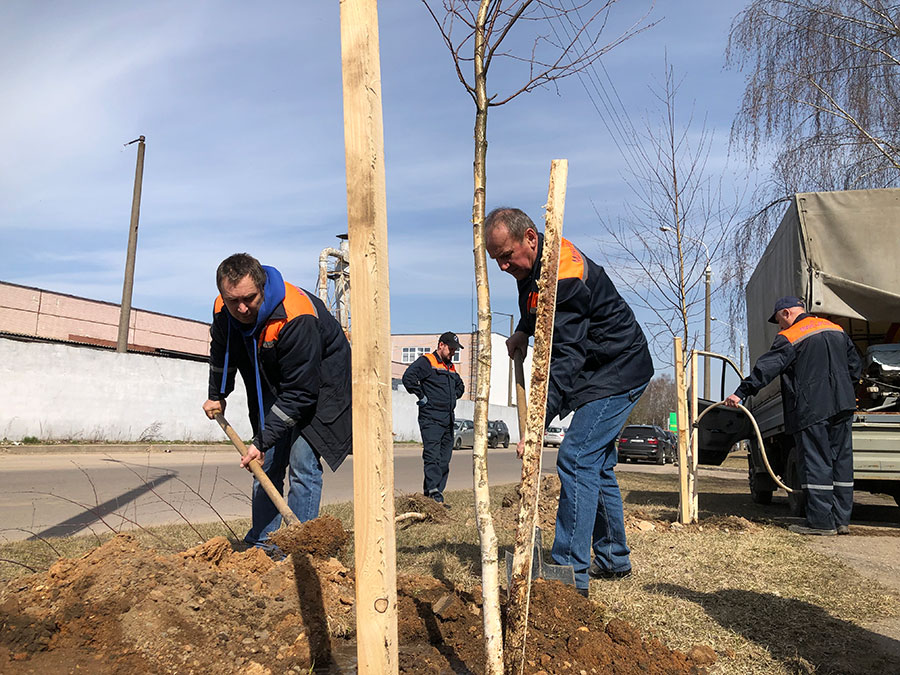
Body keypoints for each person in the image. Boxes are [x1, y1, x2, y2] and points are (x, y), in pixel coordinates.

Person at [484, 207, 654, 595]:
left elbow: (566, 358)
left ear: (530, 237)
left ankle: (568, 574)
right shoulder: (530, 267)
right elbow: (537, 308)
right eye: (496, 260)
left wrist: (537, 424)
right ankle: (612, 556)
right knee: (597, 465)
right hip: (600, 367)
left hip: (618, 367)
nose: (503, 266)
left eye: (506, 256)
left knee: (576, 457)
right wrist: (524, 331)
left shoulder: (565, 275)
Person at [202, 253, 352, 553]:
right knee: (266, 461)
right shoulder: (224, 309)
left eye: (250, 298)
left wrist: (262, 439)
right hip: (271, 378)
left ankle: (298, 547)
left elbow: (301, 391)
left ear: (262, 286)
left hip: (319, 383)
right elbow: (223, 354)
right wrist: (217, 394)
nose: (242, 308)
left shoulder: (296, 315)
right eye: (234, 301)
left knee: (302, 461)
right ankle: (263, 541)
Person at [725, 296, 861, 536]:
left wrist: (741, 392)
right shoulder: (836, 329)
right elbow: (854, 366)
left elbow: (766, 368)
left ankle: (821, 523)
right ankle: (841, 520)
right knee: (841, 461)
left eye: (779, 321)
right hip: (843, 405)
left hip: (812, 408)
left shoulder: (791, 336)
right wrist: (847, 392)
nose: (780, 327)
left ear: (787, 313)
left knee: (816, 462)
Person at [402, 332, 465, 506]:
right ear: (441, 345)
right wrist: (422, 397)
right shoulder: (427, 361)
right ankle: (432, 492)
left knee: (445, 458)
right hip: (431, 417)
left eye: (455, 350)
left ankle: (435, 495)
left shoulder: (450, 367)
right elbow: (408, 378)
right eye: (451, 349)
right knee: (432, 456)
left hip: (448, 418)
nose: (453, 352)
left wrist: (452, 397)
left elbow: (460, 386)